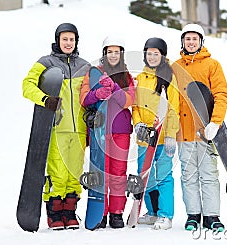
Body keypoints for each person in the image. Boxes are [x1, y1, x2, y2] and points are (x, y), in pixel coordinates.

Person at [22, 23, 90, 230]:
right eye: (65, 39)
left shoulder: (85, 66)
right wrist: (45, 99)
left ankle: (69, 212)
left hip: (78, 128)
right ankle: (54, 213)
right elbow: (27, 85)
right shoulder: (45, 63)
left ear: (76, 41)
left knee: (74, 173)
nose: (68, 43)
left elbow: (91, 94)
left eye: (72, 39)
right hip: (56, 127)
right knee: (58, 172)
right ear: (58, 40)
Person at [171, 23, 227, 232]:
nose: (191, 42)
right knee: (188, 175)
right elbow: (170, 99)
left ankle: (212, 216)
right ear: (183, 42)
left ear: (201, 42)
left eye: (195, 39)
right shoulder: (175, 67)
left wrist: (215, 122)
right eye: (187, 39)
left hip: (206, 132)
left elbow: (222, 95)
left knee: (208, 174)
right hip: (183, 132)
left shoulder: (212, 65)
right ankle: (193, 215)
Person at [80, 35, 135, 229]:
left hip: (120, 131)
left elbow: (129, 101)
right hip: (100, 130)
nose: (113, 55)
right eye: (110, 51)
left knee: (118, 173)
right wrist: (97, 94)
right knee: (102, 171)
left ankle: (116, 212)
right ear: (104, 54)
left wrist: (115, 88)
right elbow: (84, 99)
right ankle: (101, 212)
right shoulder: (93, 73)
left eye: (117, 52)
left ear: (121, 54)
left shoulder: (126, 76)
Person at [132, 37, 180, 230]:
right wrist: (137, 125)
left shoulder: (169, 77)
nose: (152, 57)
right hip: (144, 139)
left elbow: (173, 108)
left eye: (156, 54)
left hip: (161, 138)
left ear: (162, 56)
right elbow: (135, 106)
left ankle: (165, 215)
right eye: (149, 53)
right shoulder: (141, 78)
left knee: (164, 176)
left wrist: (170, 135)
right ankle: (152, 212)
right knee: (145, 176)